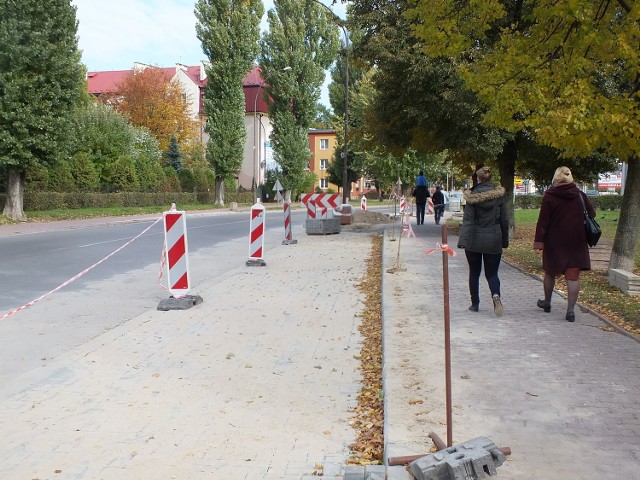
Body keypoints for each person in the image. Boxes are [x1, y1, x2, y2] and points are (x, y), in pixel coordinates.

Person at [533, 166, 595, 322]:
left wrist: (539, 242)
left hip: (554, 241)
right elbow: (592, 214)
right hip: (576, 241)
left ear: (556, 178)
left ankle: (547, 302)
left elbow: (543, 221)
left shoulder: (549, 196)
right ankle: (570, 311)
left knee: (550, 272)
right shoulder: (580, 195)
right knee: (573, 277)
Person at [457, 166, 509, 316]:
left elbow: (468, 221)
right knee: (492, 273)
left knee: (474, 273)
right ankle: (495, 295)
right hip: (494, 238)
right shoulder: (498, 196)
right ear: (490, 178)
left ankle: (475, 304)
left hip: (474, 239)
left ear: (478, 178)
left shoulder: (472, 197)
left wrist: (463, 241)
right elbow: (503, 221)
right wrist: (504, 240)